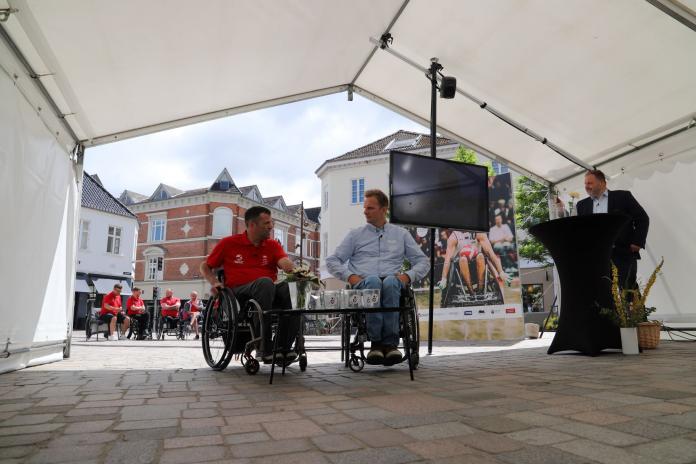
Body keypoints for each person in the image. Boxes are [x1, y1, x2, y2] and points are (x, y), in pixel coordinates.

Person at [326, 189, 428, 366]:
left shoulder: (401, 234)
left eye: (370, 208)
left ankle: (390, 344)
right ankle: (376, 343)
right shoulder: (355, 235)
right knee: (373, 281)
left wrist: (408, 276)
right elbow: (332, 260)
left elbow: (423, 261)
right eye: (365, 208)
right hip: (364, 282)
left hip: (392, 282)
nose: (365, 211)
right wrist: (350, 277)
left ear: (384, 209)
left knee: (390, 282)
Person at [200, 206, 299, 363]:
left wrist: (293, 269)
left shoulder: (272, 245)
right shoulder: (229, 243)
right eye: (267, 223)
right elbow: (205, 266)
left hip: (268, 292)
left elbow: (283, 261)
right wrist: (215, 282)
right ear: (252, 225)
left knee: (290, 288)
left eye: (271, 222)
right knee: (265, 283)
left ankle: (282, 348)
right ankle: (264, 347)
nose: (271, 226)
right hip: (239, 294)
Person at [576, 169, 649, 289]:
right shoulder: (582, 205)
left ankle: (634, 308)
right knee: (603, 293)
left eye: (590, 183)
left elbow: (642, 218)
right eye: (585, 184)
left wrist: (637, 242)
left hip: (623, 255)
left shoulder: (623, 197)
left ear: (602, 183)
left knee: (627, 292)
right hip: (597, 258)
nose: (586, 186)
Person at [438, 230, 510, 298]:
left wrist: (501, 272)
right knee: (463, 259)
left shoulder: (479, 233)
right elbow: (447, 259)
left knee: (481, 256)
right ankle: (471, 292)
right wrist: (444, 279)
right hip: (461, 269)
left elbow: (490, 253)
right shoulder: (454, 236)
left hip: (478, 266)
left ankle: (480, 290)